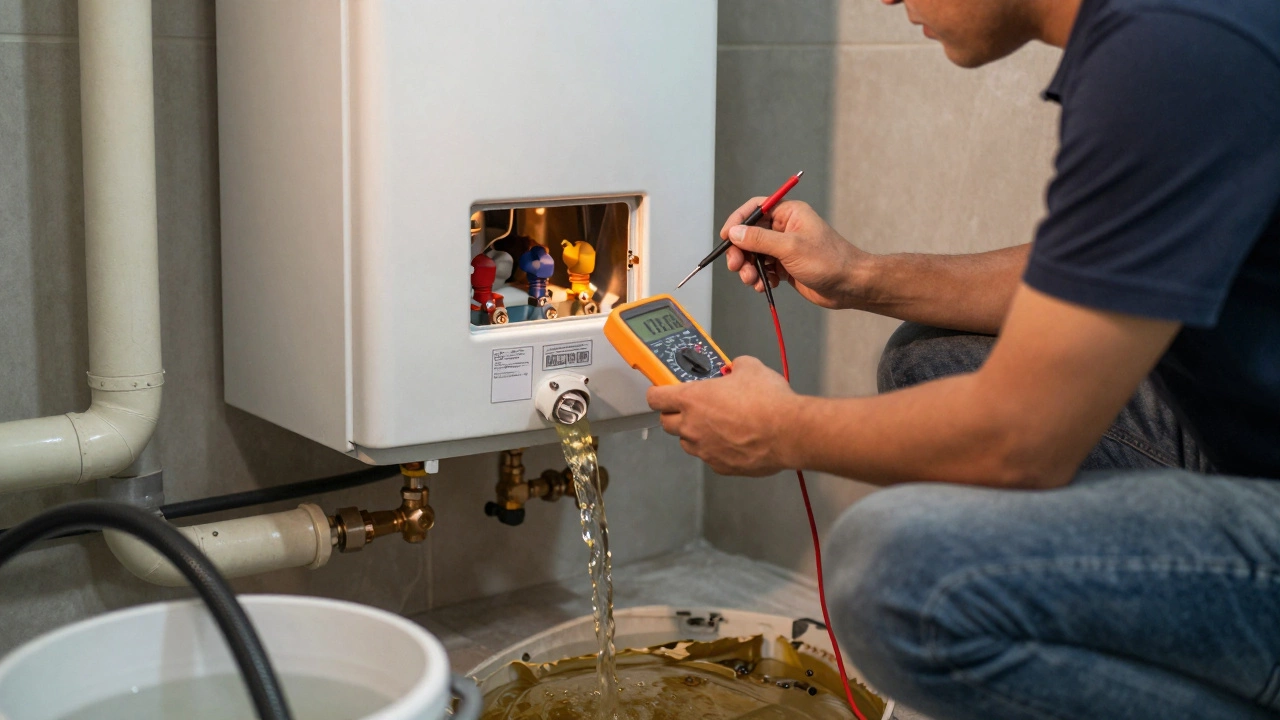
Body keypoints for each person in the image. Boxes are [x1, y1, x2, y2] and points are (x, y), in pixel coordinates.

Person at [647, 0, 1280, 717]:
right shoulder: (1161, 31)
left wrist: (779, 429)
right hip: (1243, 458)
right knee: (928, 357)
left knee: (895, 572)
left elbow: (1022, 440)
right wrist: (859, 275)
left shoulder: (1174, 52)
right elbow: (1095, 268)